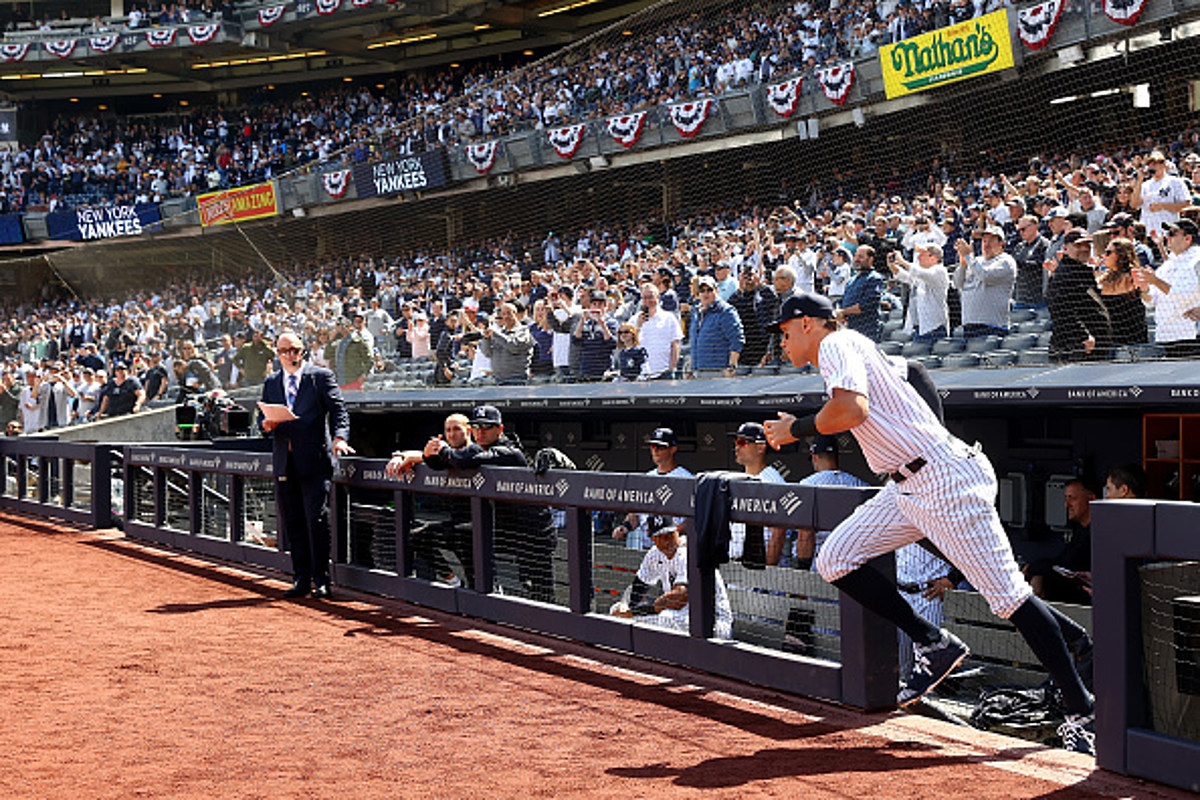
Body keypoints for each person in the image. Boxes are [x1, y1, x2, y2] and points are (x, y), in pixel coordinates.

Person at [761, 292, 1097, 754]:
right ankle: (931, 641)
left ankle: (1084, 713)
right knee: (836, 557)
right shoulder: (851, 348)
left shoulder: (837, 343)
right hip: (906, 485)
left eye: (783, 333)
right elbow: (908, 376)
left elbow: (851, 411)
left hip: (941, 478)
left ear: (805, 324)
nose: (781, 344)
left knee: (1008, 598)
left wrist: (794, 430)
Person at [420, 405, 556, 602]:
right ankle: (483, 590)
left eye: (487, 427)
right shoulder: (478, 448)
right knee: (464, 535)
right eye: (476, 427)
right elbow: (442, 463)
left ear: (499, 430)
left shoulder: (508, 451)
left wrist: (443, 449)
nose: (480, 432)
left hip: (533, 534)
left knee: (540, 592)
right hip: (507, 530)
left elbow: (462, 460)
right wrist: (425, 454)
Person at [260, 331, 353, 600]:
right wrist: (266, 425)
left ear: (303, 351)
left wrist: (339, 438)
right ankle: (301, 578)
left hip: (314, 460)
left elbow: (339, 411)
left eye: (295, 350)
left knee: (317, 518)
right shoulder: (272, 382)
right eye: (284, 351)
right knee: (293, 522)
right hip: (284, 461)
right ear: (277, 354)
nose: (290, 355)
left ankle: (322, 579)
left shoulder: (320, 376)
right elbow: (262, 420)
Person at [385, 413, 474, 586]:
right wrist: (400, 456)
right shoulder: (449, 454)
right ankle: (455, 582)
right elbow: (426, 456)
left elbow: (458, 459)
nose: (452, 434)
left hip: (483, 527)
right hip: (458, 526)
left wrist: (428, 454)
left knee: (480, 582)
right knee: (419, 537)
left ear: (469, 431)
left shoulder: (475, 451)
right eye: (448, 430)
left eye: (457, 429)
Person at [610, 522, 733, 640]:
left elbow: (678, 599)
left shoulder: (688, 551)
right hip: (682, 617)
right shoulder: (654, 554)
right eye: (661, 536)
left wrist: (635, 612)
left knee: (665, 618)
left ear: (677, 531)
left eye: (670, 534)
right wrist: (625, 604)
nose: (667, 541)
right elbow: (638, 587)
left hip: (715, 624)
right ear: (653, 538)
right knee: (615, 610)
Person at [611, 427, 692, 550]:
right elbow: (637, 514)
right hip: (648, 548)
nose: (656, 451)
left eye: (661, 447)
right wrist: (626, 526)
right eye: (653, 446)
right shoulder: (647, 478)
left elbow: (694, 519)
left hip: (675, 549)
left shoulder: (686, 479)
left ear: (673, 449)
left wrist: (672, 532)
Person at [1133, 218, 1200, 359]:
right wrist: (1144, 288)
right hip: (1167, 335)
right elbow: (1151, 301)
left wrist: (1155, 281)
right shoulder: (1169, 264)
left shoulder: (1197, 260)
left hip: (1190, 335)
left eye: (1172, 233)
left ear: (1188, 238)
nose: (1166, 237)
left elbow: (1186, 296)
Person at [1023, 478, 1096, 606]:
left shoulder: (1097, 531)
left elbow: (1065, 567)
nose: (1066, 505)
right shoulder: (1080, 530)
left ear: (1090, 500)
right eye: (1066, 498)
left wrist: (1033, 569)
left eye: (1072, 498)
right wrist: (1038, 574)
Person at [1045, 229, 1112, 362]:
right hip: (1076, 347)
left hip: (1091, 347)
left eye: (1087, 245)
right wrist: (1083, 335)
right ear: (1065, 248)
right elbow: (1060, 310)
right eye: (1077, 245)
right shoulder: (1063, 274)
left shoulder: (1082, 271)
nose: (1083, 248)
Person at [726, 421, 787, 563]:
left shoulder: (771, 481)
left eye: (743, 443)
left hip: (759, 563)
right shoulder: (738, 479)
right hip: (735, 563)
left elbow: (778, 532)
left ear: (760, 447)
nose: (736, 447)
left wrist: (767, 573)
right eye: (736, 442)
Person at [953, 225, 1016, 338]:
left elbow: (985, 276)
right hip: (969, 326)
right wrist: (962, 264)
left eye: (991, 241)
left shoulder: (1006, 261)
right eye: (984, 241)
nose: (986, 245)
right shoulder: (976, 260)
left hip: (992, 328)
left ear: (1001, 244)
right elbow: (957, 283)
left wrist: (968, 256)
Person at [888, 244, 949, 341]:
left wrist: (903, 261)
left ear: (933, 258)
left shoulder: (939, 270)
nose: (918, 257)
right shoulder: (923, 274)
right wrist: (893, 266)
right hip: (920, 328)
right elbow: (905, 277)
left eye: (922, 254)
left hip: (934, 328)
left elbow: (919, 273)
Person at [1098, 237, 1148, 347]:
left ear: (1120, 255)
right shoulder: (1104, 278)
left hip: (1134, 339)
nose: (1104, 256)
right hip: (1110, 340)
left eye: (1108, 252)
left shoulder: (1133, 277)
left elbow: (1147, 298)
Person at [689, 276, 744, 374]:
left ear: (716, 291)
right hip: (697, 371)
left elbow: (736, 340)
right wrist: (690, 368)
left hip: (718, 371)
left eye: (709, 290)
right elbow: (694, 343)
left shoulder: (726, 311)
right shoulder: (696, 312)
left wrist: (732, 367)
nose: (706, 294)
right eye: (702, 290)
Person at [1131, 150, 1190, 237]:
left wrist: (1163, 206)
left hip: (1167, 233)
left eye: (1155, 164)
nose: (1153, 167)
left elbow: (1186, 204)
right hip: (1148, 233)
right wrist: (1139, 181)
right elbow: (1134, 204)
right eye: (1150, 165)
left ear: (1163, 164)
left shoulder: (1175, 182)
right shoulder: (1144, 185)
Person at [633, 283, 681, 379]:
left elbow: (675, 345)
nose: (648, 301)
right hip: (641, 375)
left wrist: (671, 369)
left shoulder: (669, 318)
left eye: (651, 297)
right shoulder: (634, 320)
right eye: (644, 298)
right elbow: (628, 345)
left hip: (663, 373)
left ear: (658, 298)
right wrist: (638, 327)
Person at [837, 245, 884, 342]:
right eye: (856, 256)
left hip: (867, 332)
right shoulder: (851, 280)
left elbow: (866, 305)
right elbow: (842, 301)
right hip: (849, 330)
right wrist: (839, 312)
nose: (856, 259)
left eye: (861, 257)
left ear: (870, 259)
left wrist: (843, 312)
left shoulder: (874, 278)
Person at [480, 302, 534, 384]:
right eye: (503, 314)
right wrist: (486, 339)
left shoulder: (523, 331)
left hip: (517, 380)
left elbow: (515, 346)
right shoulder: (499, 333)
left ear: (515, 314)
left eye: (509, 313)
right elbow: (487, 353)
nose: (506, 316)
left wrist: (496, 335)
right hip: (498, 380)